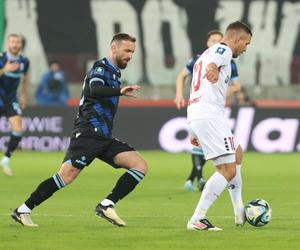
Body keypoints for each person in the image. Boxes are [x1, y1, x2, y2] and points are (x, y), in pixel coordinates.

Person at [11, 33, 148, 227]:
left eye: (132, 52)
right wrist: (119, 91)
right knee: (66, 176)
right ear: (114, 48)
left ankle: (107, 205)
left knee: (139, 166)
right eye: (127, 51)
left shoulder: (115, 72)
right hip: (88, 133)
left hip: (103, 135)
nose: (130, 55)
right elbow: (95, 90)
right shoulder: (101, 68)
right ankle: (23, 210)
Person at [186, 21, 252, 231]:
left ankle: (238, 208)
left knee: (237, 153)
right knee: (227, 168)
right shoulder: (222, 50)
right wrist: (213, 69)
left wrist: (193, 128)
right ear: (238, 39)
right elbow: (213, 63)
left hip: (199, 113)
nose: (245, 49)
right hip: (208, 115)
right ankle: (197, 218)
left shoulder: (204, 54)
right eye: (246, 44)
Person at [175, 30, 241, 192]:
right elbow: (181, 76)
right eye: (213, 40)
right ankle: (200, 180)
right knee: (227, 161)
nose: (216, 43)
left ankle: (194, 178)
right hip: (205, 109)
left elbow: (237, 85)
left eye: (218, 40)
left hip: (207, 109)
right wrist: (178, 94)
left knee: (224, 151)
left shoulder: (226, 60)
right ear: (207, 43)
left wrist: (224, 90)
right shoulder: (200, 58)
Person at [0, 34, 29, 176]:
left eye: (17, 42)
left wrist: (23, 95)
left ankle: (5, 159)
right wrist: (4, 70)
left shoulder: (24, 61)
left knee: (18, 128)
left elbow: (25, 79)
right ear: (8, 43)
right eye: (12, 42)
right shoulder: (1, 58)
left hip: (11, 100)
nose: (15, 44)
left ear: (20, 44)